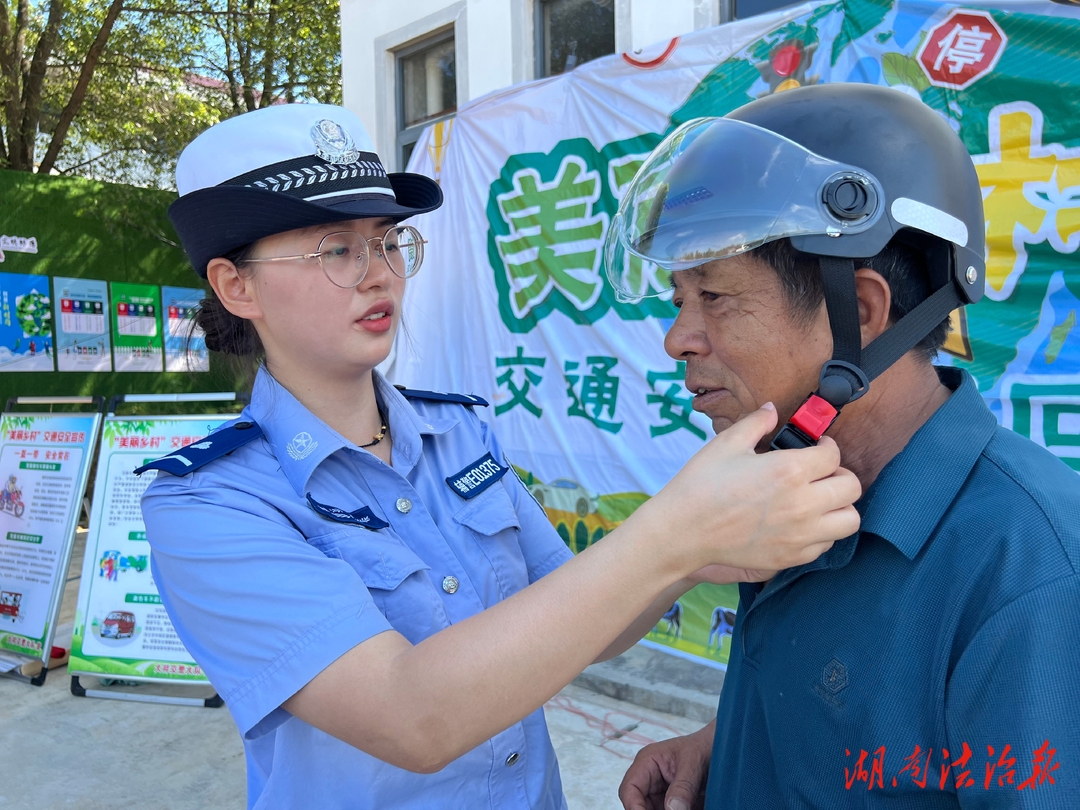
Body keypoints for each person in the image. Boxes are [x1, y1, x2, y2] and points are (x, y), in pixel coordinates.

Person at [137, 102, 861, 810]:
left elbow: (581, 618)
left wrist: (696, 558)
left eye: (388, 241)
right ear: (237, 286)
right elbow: (410, 717)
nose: (379, 273)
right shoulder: (210, 504)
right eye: (335, 250)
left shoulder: (456, 434)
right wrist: (673, 534)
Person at [610, 83, 1080, 810]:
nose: (678, 340)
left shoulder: (1031, 572)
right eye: (678, 300)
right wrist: (730, 747)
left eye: (715, 297)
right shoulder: (793, 493)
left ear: (858, 316)